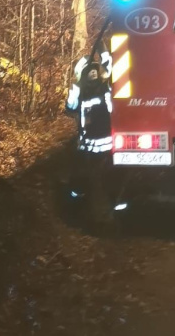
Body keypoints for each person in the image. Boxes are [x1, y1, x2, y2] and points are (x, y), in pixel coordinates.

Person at [64, 43, 113, 222]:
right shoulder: (84, 92)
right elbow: (70, 108)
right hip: (94, 146)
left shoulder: (103, 88)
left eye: (94, 69)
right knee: (91, 179)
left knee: (99, 179)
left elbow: (111, 67)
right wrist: (75, 89)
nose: (93, 73)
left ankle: (95, 211)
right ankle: (83, 208)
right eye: (90, 71)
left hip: (99, 146)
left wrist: (103, 51)